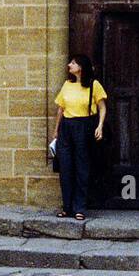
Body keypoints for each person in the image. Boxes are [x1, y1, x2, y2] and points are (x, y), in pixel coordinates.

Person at [50, 53, 107, 220]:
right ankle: (67, 207)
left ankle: (80, 208)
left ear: (81, 67)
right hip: (66, 127)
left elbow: (102, 107)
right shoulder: (67, 85)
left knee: (82, 167)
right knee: (65, 167)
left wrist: (100, 126)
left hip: (84, 126)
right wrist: (56, 131)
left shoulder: (93, 85)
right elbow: (60, 109)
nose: (69, 65)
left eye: (73, 63)